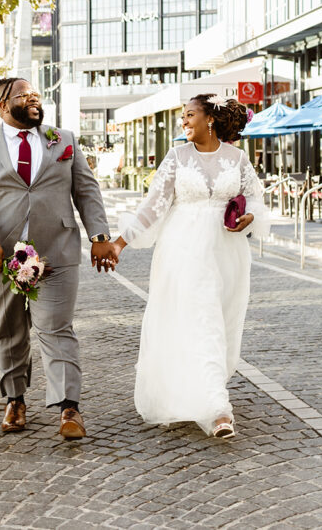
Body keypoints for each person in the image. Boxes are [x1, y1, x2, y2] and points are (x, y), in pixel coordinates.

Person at [0, 77, 118, 440]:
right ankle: (14, 400)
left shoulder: (64, 139)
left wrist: (99, 236)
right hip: (0, 256)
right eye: (23, 95)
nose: (33, 99)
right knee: (9, 330)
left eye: (35, 94)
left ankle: (68, 407)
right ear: (2, 105)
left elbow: (86, 190)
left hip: (57, 250)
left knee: (57, 328)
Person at [113, 94, 269, 439]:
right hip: (183, 251)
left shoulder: (237, 158)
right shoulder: (177, 157)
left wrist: (249, 217)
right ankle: (217, 410)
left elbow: (255, 199)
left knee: (222, 322)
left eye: (189, 114)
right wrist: (119, 242)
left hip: (227, 252)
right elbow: (152, 207)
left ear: (209, 118)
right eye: (182, 116)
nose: (183, 121)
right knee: (203, 320)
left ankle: (199, 389)